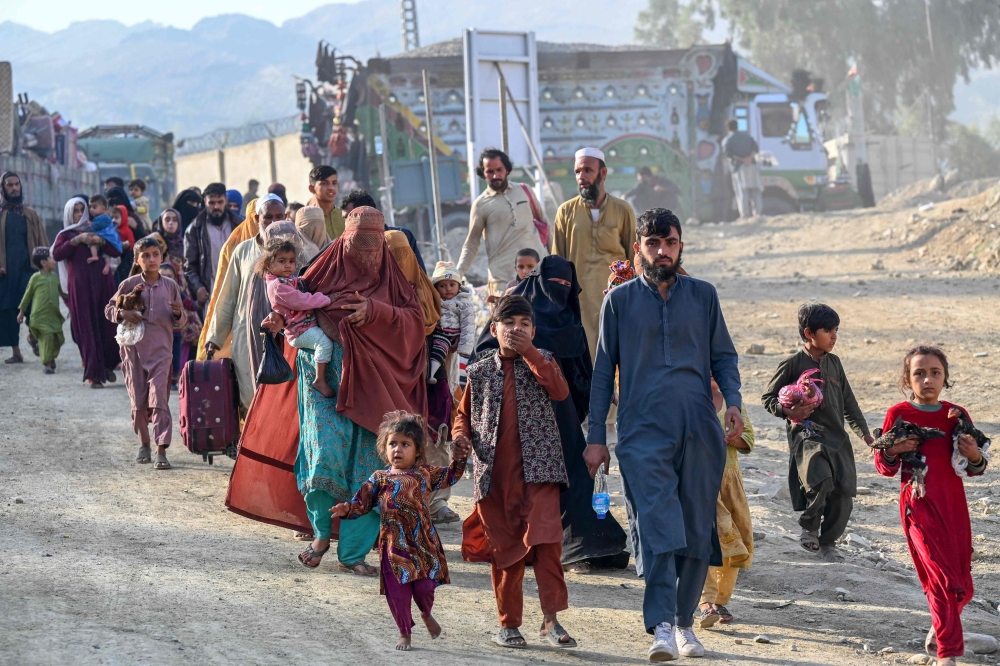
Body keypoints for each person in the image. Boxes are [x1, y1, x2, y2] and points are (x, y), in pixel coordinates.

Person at [586, 208, 744, 660]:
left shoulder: (704, 296)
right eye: (652, 243)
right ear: (638, 249)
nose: (661, 251)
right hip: (641, 432)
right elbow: (602, 376)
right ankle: (660, 625)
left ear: (680, 245)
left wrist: (732, 402)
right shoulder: (619, 303)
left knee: (696, 530)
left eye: (669, 242)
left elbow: (725, 357)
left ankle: (685, 624)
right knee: (658, 527)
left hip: (698, 429)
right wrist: (597, 437)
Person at [235, 205, 426, 575]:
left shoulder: (395, 282)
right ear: (344, 239)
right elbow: (293, 300)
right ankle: (321, 535)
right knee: (324, 459)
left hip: (374, 390)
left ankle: (353, 553)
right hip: (323, 388)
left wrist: (376, 310)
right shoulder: (322, 269)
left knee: (369, 471)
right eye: (358, 242)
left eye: (373, 243)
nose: (365, 252)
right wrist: (277, 319)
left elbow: (414, 324)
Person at [475, 255, 630, 571]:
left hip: (562, 414)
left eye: (565, 286)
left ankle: (588, 545)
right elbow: (484, 357)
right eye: (553, 284)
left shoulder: (570, 321)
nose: (558, 292)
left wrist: (600, 395)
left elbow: (582, 368)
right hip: (517, 416)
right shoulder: (515, 315)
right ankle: (531, 547)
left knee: (573, 478)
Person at [456, 294, 576, 649]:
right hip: (494, 478)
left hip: (540, 473)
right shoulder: (478, 372)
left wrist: (532, 353)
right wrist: (461, 438)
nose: (516, 329)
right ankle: (509, 624)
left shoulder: (544, 362)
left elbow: (559, 390)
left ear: (534, 331)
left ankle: (552, 621)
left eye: (524, 324)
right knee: (506, 551)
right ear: (494, 329)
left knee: (548, 546)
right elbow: (463, 414)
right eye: (509, 324)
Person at [875, 347, 986, 666]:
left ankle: (940, 629)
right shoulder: (899, 413)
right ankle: (947, 654)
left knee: (962, 585)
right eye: (919, 373)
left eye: (935, 372)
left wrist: (974, 454)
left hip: (954, 505)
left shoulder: (956, 414)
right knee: (940, 577)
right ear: (907, 379)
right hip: (918, 503)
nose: (927, 379)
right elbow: (884, 467)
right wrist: (894, 449)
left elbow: (975, 467)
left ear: (945, 376)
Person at [331, 411, 471, 651]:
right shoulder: (379, 478)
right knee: (397, 595)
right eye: (392, 443)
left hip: (422, 545)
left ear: (417, 450)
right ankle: (404, 632)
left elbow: (451, 476)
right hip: (393, 547)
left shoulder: (425, 474)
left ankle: (426, 612)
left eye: (405, 444)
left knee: (425, 588)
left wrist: (458, 459)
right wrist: (347, 509)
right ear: (384, 448)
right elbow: (361, 504)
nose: (397, 449)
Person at [761, 303, 872, 562]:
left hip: (837, 438)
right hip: (808, 437)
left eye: (836, 330)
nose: (834, 336)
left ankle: (828, 542)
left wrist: (864, 433)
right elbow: (768, 398)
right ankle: (809, 528)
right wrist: (788, 413)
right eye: (828, 330)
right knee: (820, 480)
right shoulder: (792, 363)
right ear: (809, 333)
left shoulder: (835, 364)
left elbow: (849, 402)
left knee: (843, 493)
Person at [106, 237, 186, 469]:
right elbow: (109, 308)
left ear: (162, 257)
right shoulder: (129, 284)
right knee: (139, 400)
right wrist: (122, 314)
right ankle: (144, 443)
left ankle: (161, 449)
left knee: (159, 398)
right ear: (137, 259)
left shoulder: (171, 286)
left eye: (155, 255)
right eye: (146, 255)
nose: (151, 259)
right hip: (132, 351)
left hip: (161, 350)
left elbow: (181, 320)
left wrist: (179, 313)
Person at [551, 147, 636, 361]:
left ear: (603, 173)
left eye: (588, 170)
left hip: (615, 298)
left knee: (618, 354)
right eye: (578, 171)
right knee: (584, 356)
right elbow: (556, 261)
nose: (582, 177)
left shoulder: (623, 210)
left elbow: (633, 257)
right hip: (579, 301)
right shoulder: (565, 212)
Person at [204, 194, 285, 410]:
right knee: (250, 393)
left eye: (280, 216)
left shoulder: (297, 251)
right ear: (258, 218)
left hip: (286, 334)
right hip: (247, 333)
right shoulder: (243, 250)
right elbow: (227, 297)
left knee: (283, 396)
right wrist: (215, 337)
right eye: (268, 217)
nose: (274, 222)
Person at [699, 378, 754, 627]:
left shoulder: (733, 405)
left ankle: (721, 599)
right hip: (699, 482)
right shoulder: (689, 400)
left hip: (729, 482)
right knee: (706, 539)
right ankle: (704, 601)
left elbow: (748, 439)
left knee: (734, 541)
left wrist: (731, 437)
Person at [457, 148, 548, 295]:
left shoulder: (524, 191)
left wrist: (554, 261)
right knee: (508, 317)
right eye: (489, 171)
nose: (495, 175)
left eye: (499, 169)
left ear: (507, 169)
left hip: (538, 274)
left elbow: (545, 224)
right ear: (483, 173)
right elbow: (472, 243)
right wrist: (458, 273)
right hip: (503, 280)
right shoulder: (481, 204)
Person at [53, 198, 122, 388]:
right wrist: (77, 240)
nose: (80, 214)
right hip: (81, 288)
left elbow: (116, 250)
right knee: (87, 329)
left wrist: (100, 240)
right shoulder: (66, 235)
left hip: (103, 285)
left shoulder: (98, 228)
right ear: (69, 213)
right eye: (76, 211)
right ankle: (95, 374)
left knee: (110, 325)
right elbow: (57, 254)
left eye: (82, 210)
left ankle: (108, 365)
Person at [258, 237, 335, 397]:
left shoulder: (287, 280)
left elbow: (300, 284)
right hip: (299, 332)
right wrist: (326, 299)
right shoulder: (277, 287)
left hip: (305, 327)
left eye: (292, 261)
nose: (288, 265)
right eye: (282, 261)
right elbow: (301, 301)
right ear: (268, 264)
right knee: (324, 343)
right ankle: (320, 380)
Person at [195, 198, 260, 362]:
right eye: (258, 218)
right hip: (240, 318)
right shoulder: (234, 246)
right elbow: (223, 291)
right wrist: (215, 335)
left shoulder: (285, 244)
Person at [0, 171, 49, 364]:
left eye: (16, 184)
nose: (14, 188)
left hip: (28, 270)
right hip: (6, 272)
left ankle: (34, 337)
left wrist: (45, 265)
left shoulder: (30, 214)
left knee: (33, 309)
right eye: (9, 185)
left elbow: (42, 242)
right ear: (3, 188)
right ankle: (16, 352)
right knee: (9, 311)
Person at [184, 182, 241, 311]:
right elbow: (189, 266)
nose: (216, 206)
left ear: (226, 201)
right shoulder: (195, 229)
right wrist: (198, 287)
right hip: (211, 296)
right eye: (212, 203)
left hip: (238, 294)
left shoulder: (238, 225)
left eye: (220, 202)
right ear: (205, 202)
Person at [341, 189, 425, 271]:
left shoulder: (403, 236)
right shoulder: (348, 247)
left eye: (350, 218)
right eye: (345, 219)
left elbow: (420, 273)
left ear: (368, 215)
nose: (346, 224)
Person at [17, 247, 64, 374]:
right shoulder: (35, 278)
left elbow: (63, 294)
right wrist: (21, 312)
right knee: (46, 337)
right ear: (44, 263)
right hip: (39, 315)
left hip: (53, 315)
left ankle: (50, 356)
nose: (54, 261)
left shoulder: (55, 278)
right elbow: (27, 295)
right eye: (51, 258)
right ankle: (47, 363)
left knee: (59, 338)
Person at [427, 262, 475, 385]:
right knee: (436, 350)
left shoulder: (464, 303)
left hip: (451, 336)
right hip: (436, 332)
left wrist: (464, 348)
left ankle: (431, 374)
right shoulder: (434, 300)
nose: (448, 289)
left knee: (441, 349)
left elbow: (468, 326)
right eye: (442, 285)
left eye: (452, 284)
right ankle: (430, 374)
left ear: (459, 285)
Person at [722, 119, 762, 219]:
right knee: (755, 189)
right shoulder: (747, 136)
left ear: (728, 128)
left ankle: (745, 215)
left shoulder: (728, 139)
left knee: (742, 191)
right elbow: (755, 148)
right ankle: (758, 213)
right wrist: (749, 158)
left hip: (738, 167)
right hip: (752, 165)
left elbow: (728, 154)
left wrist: (742, 160)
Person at [305, 165, 343, 241]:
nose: (331, 188)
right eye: (324, 183)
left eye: (334, 183)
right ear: (312, 189)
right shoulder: (307, 219)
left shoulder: (344, 216)